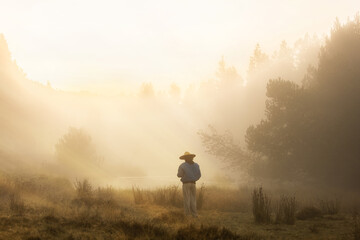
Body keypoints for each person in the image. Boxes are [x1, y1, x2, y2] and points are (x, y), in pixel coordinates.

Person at [177, 151, 201, 217]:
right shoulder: (196, 165)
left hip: (186, 184)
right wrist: (194, 178)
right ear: (192, 158)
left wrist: (183, 176)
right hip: (193, 183)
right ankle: (194, 214)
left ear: (185, 158)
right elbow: (199, 175)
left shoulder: (182, 166)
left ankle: (187, 215)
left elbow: (179, 175)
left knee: (186, 199)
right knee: (193, 199)